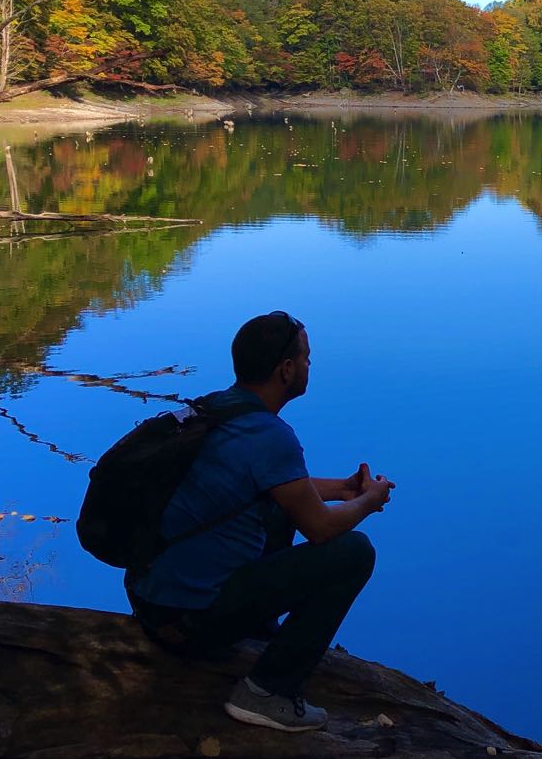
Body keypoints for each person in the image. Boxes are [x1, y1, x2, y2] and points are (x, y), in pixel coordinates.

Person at [125, 310, 395, 732]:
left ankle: (257, 629)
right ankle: (266, 691)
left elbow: (274, 486)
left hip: (149, 600)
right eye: (306, 358)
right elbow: (321, 528)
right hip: (185, 624)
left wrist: (343, 490)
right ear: (286, 370)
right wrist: (368, 501)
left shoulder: (216, 409)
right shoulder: (270, 436)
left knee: (277, 508)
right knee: (354, 553)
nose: (310, 366)